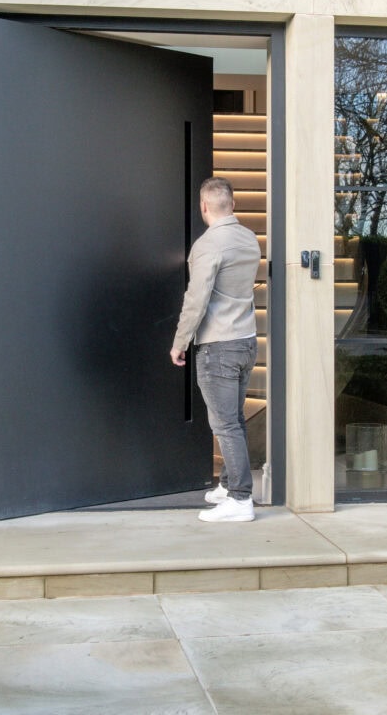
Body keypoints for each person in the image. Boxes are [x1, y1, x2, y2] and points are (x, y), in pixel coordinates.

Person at [170, 177, 262, 523]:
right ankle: (227, 485)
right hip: (246, 342)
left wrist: (180, 343)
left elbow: (196, 300)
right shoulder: (249, 240)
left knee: (225, 424)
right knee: (235, 418)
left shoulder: (209, 245)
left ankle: (240, 499)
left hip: (219, 346)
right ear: (233, 204)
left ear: (204, 207)